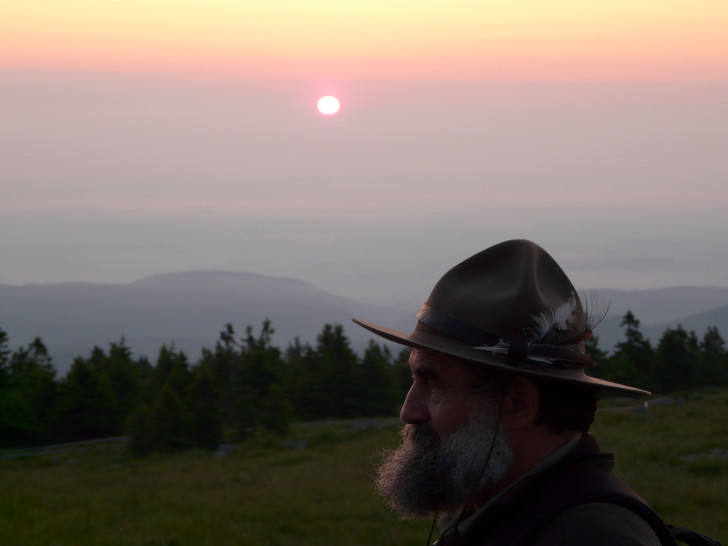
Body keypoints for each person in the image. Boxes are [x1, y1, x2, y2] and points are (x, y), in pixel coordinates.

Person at [353, 239, 677, 546]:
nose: (409, 411)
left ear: (518, 404)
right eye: (415, 378)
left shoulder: (588, 536)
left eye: (434, 383)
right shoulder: (492, 509)